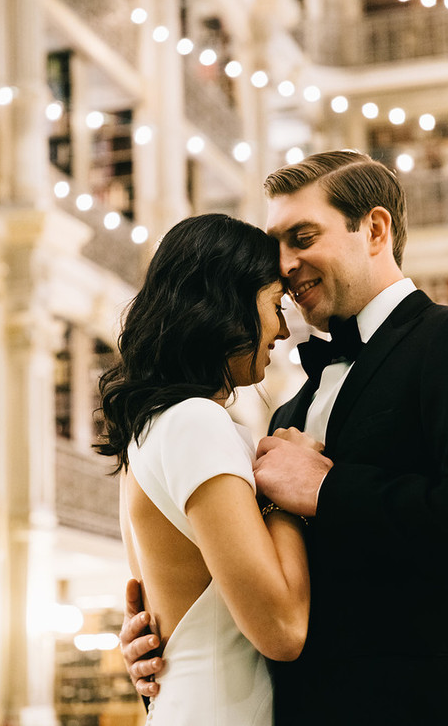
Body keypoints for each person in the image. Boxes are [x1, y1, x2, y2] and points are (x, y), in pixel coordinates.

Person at [121, 152, 448, 726]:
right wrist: (160, 643)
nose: (285, 264)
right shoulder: (289, 412)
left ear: (374, 229)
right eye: (277, 245)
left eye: (303, 236)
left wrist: (330, 490)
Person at [96, 213, 310, 726]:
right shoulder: (195, 422)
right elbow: (283, 629)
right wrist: (283, 491)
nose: (281, 330)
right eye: (274, 305)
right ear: (227, 305)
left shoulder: (152, 428)